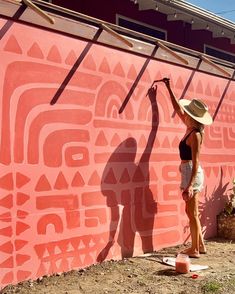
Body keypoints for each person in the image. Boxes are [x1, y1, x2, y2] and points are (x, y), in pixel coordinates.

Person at [162, 77, 213, 258]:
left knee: (191, 213)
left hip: (191, 172)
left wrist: (190, 184)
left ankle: (194, 250)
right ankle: (201, 245)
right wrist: (169, 87)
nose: (186, 112)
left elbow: (196, 161)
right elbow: (178, 108)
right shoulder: (190, 127)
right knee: (191, 212)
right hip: (188, 171)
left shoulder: (195, 135)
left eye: (189, 111)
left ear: (193, 115)